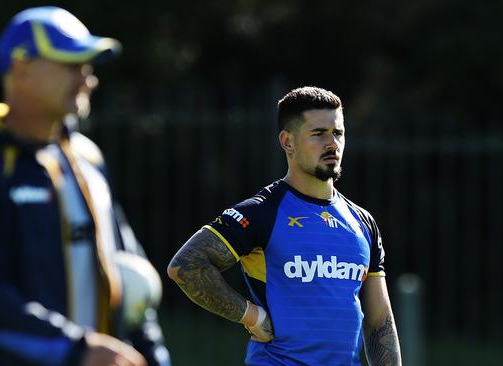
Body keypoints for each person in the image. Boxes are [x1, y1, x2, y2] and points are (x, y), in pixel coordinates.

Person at [0, 6, 170, 366]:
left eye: (89, 67)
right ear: (21, 69)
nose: (88, 80)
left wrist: (154, 357)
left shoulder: (88, 160)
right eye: (72, 65)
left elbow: (126, 275)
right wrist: (75, 348)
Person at [168, 86, 402, 365]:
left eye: (337, 133)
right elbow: (186, 266)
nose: (332, 144)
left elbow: (379, 322)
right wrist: (251, 316)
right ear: (287, 142)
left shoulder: (362, 222)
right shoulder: (262, 211)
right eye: (318, 134)